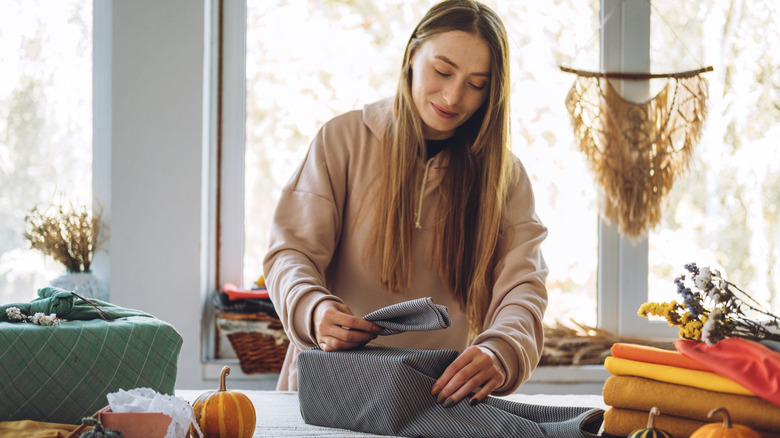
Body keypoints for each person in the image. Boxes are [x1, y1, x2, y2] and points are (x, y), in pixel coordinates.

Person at [263, 0, 548, 408]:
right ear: (413, 55)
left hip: (438, 400)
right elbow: (290, 253)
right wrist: (313, 308)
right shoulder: (340, 140)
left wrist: (501, 349)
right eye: (443, 71)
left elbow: (524, 286)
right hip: (328, 391)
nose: (453, 96)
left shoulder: (508, 176)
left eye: (477, 83)